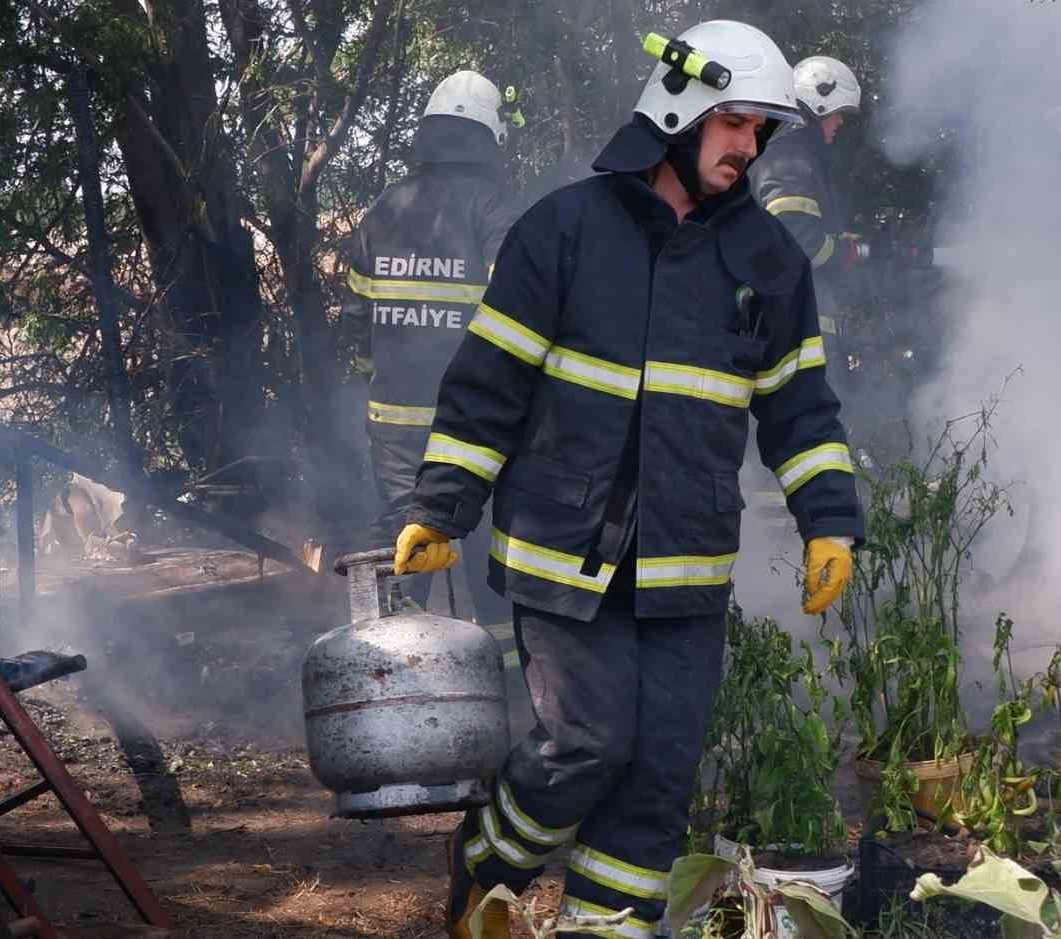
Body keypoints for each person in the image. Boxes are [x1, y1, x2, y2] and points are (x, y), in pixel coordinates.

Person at [390, 22, 864, 939]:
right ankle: (490, 858)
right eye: (735, 124)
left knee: (659, 772)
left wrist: (829, 523)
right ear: (680, 109)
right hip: (563, 555)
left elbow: (802, 411)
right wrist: (444, 503)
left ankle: (606, 927)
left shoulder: (768, 261)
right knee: (587, 745)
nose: (749, 148)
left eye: (762, 132)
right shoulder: (563, 232)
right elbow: (490, 381)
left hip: (685, 564)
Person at [342, 70, 521, 626]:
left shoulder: (385, 208)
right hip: (472, 422)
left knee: (405, 538)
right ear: (489, 136)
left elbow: (356, 321)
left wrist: (381, 377)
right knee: (491, 545)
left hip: (393, 421)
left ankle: (395, 676)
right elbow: (520, 311)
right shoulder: (494, 209)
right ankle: (507, 680)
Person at [746, 55, 867, 346]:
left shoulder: (798, 158)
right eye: (836, 113)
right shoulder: (788, 160)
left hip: (798, 324)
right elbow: (801, 242)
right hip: (792, 329)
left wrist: (839, 239)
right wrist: (844, 252)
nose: (839, 122)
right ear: (817, 106)